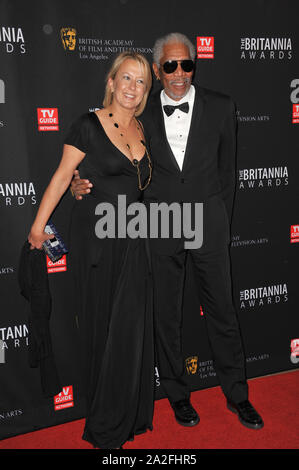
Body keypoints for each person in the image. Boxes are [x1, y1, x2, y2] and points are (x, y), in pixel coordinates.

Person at [71, 33, 264, 431]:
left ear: (195, 65)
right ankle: (177, 395)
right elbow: (108, 158)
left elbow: (229, 172)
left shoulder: (222, 106)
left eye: (187, 65)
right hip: (159, 226)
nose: (179, 74)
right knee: (166, 316)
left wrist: (218, 220)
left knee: (223, 312)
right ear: (157, 70)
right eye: (170, 66)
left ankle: (238, 395)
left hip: (208, 223)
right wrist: (79, 185)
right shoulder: (137, 116)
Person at [28, 52, 155, 449]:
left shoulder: (142, 128)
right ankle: (105, 421)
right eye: (127, 79)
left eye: (141, 82)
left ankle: (128, 411)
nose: (133, 88)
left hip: (134, 239)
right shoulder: (88, 125)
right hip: (97, 238)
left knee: (130, 328)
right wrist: (37, 226)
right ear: (112, 80)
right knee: (102, 324)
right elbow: (63, 176)